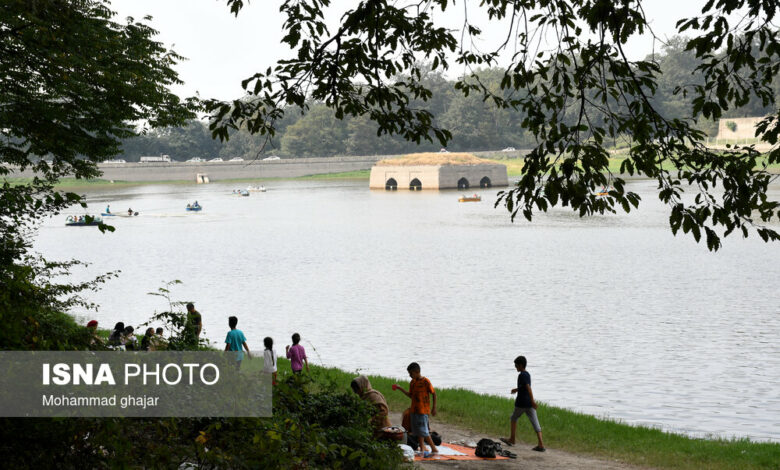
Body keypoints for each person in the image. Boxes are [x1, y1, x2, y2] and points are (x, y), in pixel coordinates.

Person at [501, 355, 545, 452]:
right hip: (529, 404)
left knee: (513, 418)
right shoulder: (527, 374)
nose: (515, 367)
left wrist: (533, 401)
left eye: (516, 365)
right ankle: (541, 444)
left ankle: (512, 439)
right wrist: (516, 390)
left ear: (521, 365)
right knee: (535, 423)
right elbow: (524, 387)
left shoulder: (521, 375)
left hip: (522, 403)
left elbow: (528, 388)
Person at [393, 362, 438, 456]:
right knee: (417, 430)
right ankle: (422, 448)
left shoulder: (426, 381)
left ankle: (434, 448)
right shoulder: (412, 382)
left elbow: (433, 393)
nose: (410, 375)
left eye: (411, 373)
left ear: (417, 371)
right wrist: (400, 388)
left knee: (424, 431)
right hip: (414, 410)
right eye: (409, 374)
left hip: (423, 411)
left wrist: (434, 407)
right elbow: (411, 396)